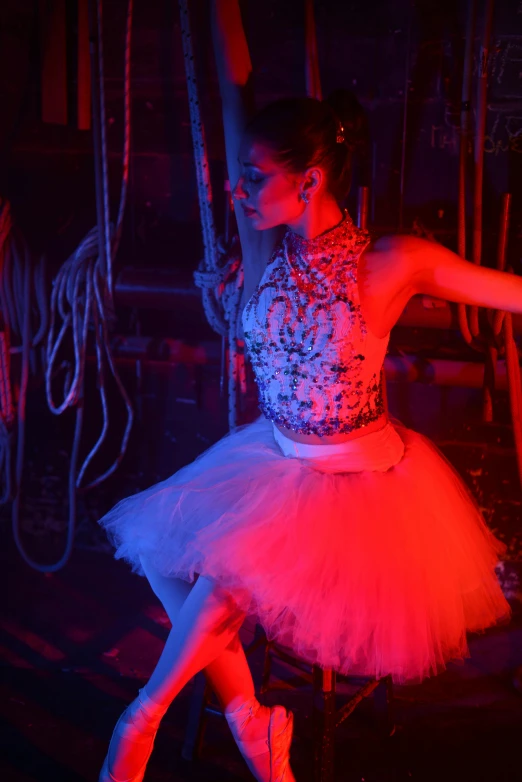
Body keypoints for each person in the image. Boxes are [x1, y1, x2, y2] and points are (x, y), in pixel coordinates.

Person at [97, 2, 519, 781]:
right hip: (275, 455)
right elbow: (233, 90)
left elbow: (510, 291)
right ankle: (252, 724)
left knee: (226, 573)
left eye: (255, 178)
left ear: (311, 179)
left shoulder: (393, 262)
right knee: (167, 554)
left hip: (357, 479)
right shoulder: (264, 253)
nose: (237, 189)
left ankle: (142, 717)